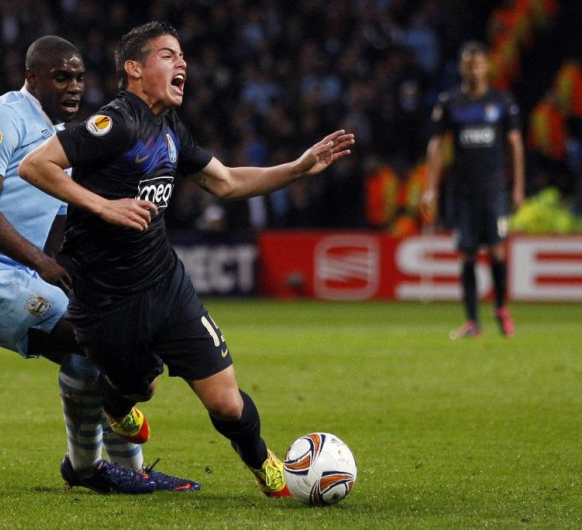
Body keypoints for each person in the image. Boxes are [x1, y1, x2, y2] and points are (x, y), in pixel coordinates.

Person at [18, 21, 355, 497]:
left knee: (227, 404)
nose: (183, 64)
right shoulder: (115, 123)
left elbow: (227, 182)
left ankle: (266, 465)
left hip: (166, 285)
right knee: (139, 388)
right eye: (168, 56)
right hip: (107, 301)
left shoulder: (170, 126)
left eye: (182, 57)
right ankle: (117, 404)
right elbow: (35, 165)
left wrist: (298, 168)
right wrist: (103, 205)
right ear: (134, 69)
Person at [0, 35, 199, 494]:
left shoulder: (64, 142)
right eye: (61, 77)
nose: (73, 87)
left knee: (95, 348)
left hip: (17, 273)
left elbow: (57, 229)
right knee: (103, 343)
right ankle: (93, 467)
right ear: (32, 77)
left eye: (79, 78)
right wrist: (41, 264)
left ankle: (115, 469)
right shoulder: (2, 117)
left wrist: (87, 279)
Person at [421, 41, 525, 339]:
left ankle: (501, 308)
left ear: (487, 67)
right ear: (461, 67)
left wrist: (517, 186)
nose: (473, 69)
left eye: (478, 64)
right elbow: (437, 145)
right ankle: (472, 322)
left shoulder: (502, 102)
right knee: (466, 253)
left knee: (496, 250)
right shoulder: (450, 102)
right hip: (462, 191)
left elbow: (515, 145)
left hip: (494, 189)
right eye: (468, 64)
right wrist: (430, 188)